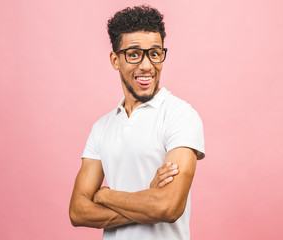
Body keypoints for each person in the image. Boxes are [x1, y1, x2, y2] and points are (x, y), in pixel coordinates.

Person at [69, 5, 205, 240]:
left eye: (154, 53)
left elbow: (168, 207)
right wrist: (148, 199)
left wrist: (105, 196)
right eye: (134, 54)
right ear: (115, 60)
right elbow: (78, 211)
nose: (146, 66)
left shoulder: (180, 115)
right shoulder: (102, 127)